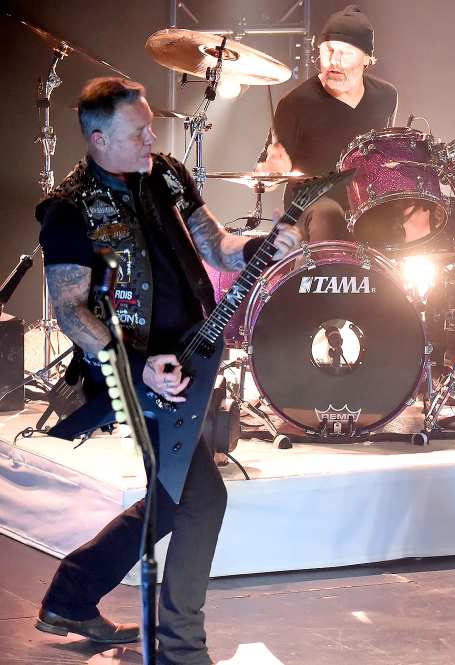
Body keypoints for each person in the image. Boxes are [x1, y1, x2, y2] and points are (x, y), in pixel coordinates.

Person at [34, 77, 300, 664]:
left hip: (190, 359)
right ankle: (180, 645)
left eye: (151, 126)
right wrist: (136, 366)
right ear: (99, 139)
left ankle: (72, 595)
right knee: (202, 498)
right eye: (138, 131)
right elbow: (72, 310)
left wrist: (263, 244)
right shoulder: (68, 208)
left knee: (175, 496)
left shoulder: (166, 174)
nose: (153, 137)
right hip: (129, 376)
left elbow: (218, 246)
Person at [257, 4, 399, 244]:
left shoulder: (386, 96)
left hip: (364, 207)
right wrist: (272, 170)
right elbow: (268, 174)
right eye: (329, 50)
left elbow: (383, 157)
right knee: (328, 214)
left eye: (346, 52)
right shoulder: (294, 103)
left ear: (367, 58)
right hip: (309, 212)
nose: (334, 60)